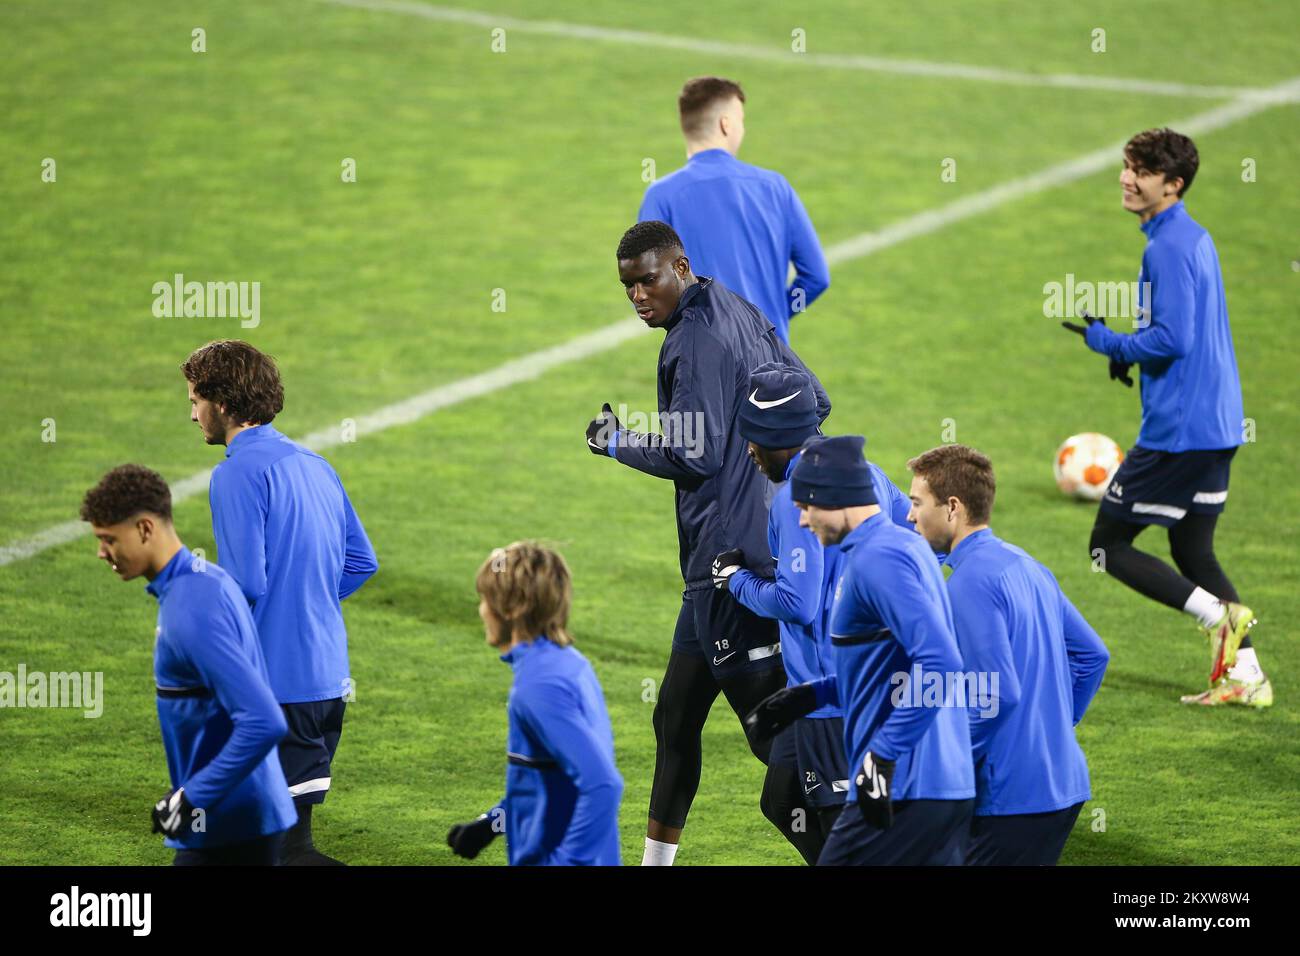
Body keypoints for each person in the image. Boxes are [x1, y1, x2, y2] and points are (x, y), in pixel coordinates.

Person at [585, 220, 830, 865]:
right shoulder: (738, 306)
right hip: (740, 551)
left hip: (730, 561)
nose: (639, 295)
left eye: (648, 279)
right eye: (628, 286)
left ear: (680, 266)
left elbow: (691, 455)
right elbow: (817, 399)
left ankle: (857, 850)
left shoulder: (691, 341)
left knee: (774, 745)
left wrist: (615, 441)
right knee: (675, 716)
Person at [1061, 128, 1269, 707]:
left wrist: (1111, 344)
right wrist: (1134, 355)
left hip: (1179, 433)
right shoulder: (1192, 237)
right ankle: (1246, 675)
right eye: (1127, 166)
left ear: (1172, 185)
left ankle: (1218, 619)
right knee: (1192, 549)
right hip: (1216, 422)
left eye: (1142, 171)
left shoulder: (1167, 248)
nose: (1128, 179)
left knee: (1109, 543)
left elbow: (1172, 338)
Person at [182, 340, 379, 864]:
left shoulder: (235, 473)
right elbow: (361, 563)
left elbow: (245, 582)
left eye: (196, 399)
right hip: (326, 682)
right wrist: (305, 597)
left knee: (278, 853)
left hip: (272, 690)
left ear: (222, 402)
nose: (191, 412)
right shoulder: (315, 465)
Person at [746, 436, 974, 865]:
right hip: (930, 781)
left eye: (806, 506)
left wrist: (883, 756)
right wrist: (811, 696)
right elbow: (885, 666)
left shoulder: (879, 560)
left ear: (836, 500)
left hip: (912, 782)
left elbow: (941, 664)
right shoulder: (889, 548)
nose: (802, 520)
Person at [716, 364, 911, 862]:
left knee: (843, 830)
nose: (750, 451)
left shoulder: (792, 498)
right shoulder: (866, 474)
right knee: (780, 801)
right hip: (851, 686)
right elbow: (919, 543)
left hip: (830, 698)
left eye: (755, 439)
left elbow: (795, 604)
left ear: (779, 439)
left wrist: (733, 581)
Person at [81, 464, 296, 865]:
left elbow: (263, 720)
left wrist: (190, 796)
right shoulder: (208, 579)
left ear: (145, 529)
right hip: (243, 816)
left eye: (109, 539)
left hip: (229, 826)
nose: (101, 552)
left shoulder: (189, 611)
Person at [906, 444, 1109, 865]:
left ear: (952, 508)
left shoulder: (968, 585)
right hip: (1061, 782)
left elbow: (994, 696)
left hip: (1010, 797)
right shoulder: (1027, 565)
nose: (910, 516)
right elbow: (1092, 655)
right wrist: (1050, 726)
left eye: (916, 503)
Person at [446, 542, 622, 866]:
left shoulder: (538, 687)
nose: (481, 610)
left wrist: (567, 862)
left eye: (485, 599)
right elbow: (547, 780)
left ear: (512, 609)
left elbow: (603, 785)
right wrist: (492, 822)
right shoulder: (569, 663)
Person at [638, 76, 829, 343]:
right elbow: (816, 277)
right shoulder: (775, 187)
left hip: (701, 361)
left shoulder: (661, 196)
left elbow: (649, 286)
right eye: (741, 119)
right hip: (771, 361)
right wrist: (765, 322)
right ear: (725, 124)